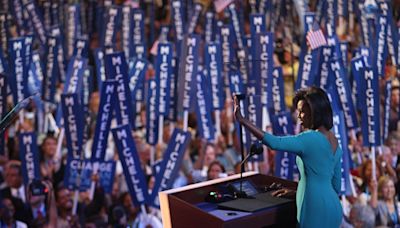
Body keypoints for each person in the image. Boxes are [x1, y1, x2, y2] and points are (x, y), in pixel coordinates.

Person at [233, 86, 343, 228]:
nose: (298, 116)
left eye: (302, 111)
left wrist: (242, 120)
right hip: (334, 208)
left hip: (314, 208)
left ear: (315, 111)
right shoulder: (334, 141)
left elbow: (274, 142)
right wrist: (296, 192)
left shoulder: (310, 138)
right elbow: (335, 187)